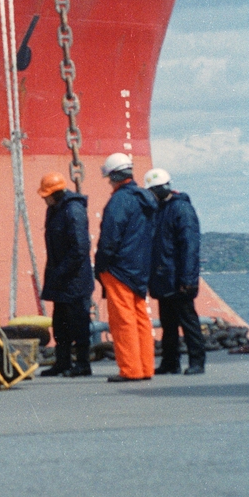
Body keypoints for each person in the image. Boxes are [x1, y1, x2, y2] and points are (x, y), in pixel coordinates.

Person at [94, 152, 157, 383]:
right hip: (139, 268)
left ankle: (130, 369)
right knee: (141, 318)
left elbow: (110, 237)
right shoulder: (146, 200)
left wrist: (101, 264)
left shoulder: (119, 201)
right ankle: (145, 367)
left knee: (123, 321)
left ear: (113, 176)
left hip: (119, 269)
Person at [145, 167, 206, 376]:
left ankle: (197, 361)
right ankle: (170, 362)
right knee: (168, 323)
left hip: (178, 278)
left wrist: (188, 279)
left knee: (188, 321)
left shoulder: (180, 209)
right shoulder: (160, 210)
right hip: (165, 277)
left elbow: (189, 246)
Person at [37, 171, 94, 378]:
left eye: (46, 195)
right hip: (61, 278)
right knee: (60, 324)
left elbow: (80, 248)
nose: (44, 199)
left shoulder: (73, 210)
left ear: (55, 194)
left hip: (74, 280)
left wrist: (60, 272)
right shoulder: (55, 210)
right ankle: (62, 362)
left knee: (79, 323)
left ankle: (83, 364)